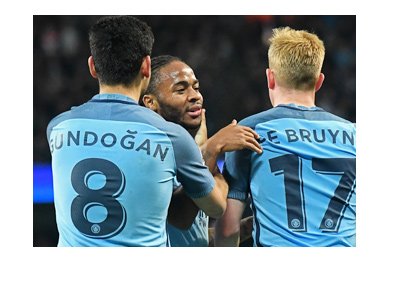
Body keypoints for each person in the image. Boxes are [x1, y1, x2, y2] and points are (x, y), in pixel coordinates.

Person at [46, 16, 228, 247]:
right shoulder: (170, 137)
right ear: (146, 66)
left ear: (92, 66)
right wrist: (213, 153)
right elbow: (216, 207)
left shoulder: (57, 128)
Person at [215, 27, 356, 247]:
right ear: (319, 81)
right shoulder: (355, 134)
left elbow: (228, 229)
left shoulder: (248, 131)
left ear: (270, 77)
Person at [140, 55, 260, 246]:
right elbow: (181, 217)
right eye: (181, 90)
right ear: (150, 102)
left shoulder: (188, 151)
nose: (195, 95)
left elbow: (189, 237)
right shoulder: (150, 152)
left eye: (196, 87)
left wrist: (256, 225)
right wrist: (212, 148)